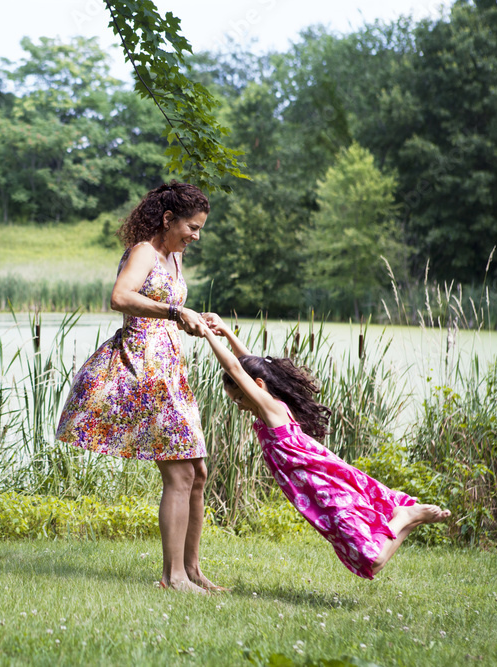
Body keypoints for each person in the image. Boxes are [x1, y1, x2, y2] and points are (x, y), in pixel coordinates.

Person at [55, 181, 224, 594]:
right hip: (143, 368)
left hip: (169, 367)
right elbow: (121, 297)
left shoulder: (173, 257)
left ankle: (193, 570)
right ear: (168, 219)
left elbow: (171, 310)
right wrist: (173, 310)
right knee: (180, 472)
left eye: (200, 228)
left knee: (197, 471)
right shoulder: (144, 251)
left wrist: (198, 318)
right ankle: (173, 577)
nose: (196, 236)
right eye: (192, 227)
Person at [201, 313, 450, 579]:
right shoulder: (268, 407)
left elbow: (239, 370)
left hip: (322, 487)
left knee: (372, 559)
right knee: (368, 562)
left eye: (239, 397)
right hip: (313, 492)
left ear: (256, 387)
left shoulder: (270, 408)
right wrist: (226, 332)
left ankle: (405, 516)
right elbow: (252, 365)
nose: (239, 405)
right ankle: (408, 518)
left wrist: (208, 335)